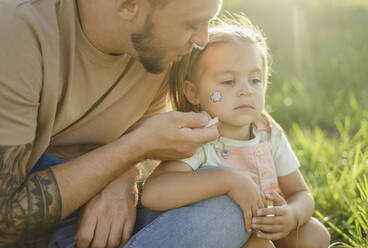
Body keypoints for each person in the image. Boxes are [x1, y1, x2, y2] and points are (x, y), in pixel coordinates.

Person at [0, 0, 222, 247]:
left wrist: (125, 172)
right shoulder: (16, 30)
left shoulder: (163, 51)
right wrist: (135, 148)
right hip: (24, 223)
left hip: (88, 218)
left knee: (227, 211)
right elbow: (4, 220)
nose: (202, 39)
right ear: (128, 5)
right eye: (192, 24)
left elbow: (146, 129)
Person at [140, 15, 331, 248]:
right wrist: (225, 179)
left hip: (264, 224)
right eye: (229, 81)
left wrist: (290, 215)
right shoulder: (198, 139)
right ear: (193, 93)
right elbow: (153, 194)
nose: (245, 91)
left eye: (255, 80)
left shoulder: (268, 135)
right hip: (219, 232)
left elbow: (301, 193)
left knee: (315, 235)